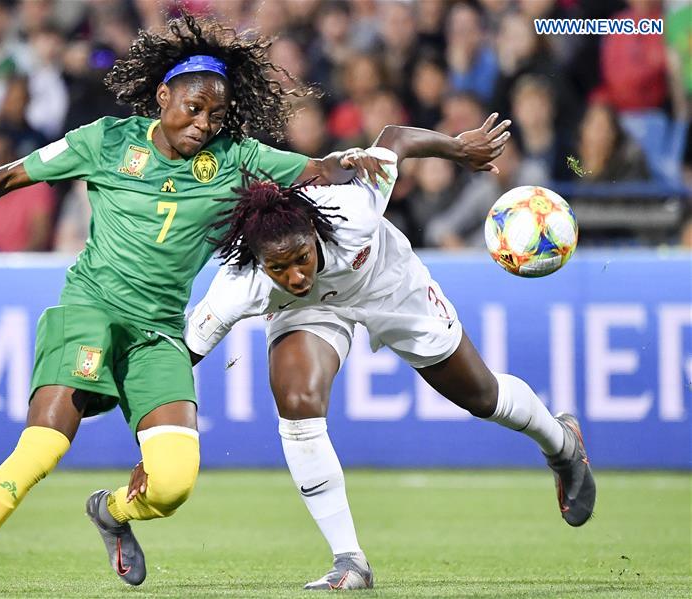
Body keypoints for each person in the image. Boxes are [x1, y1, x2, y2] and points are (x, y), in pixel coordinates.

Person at [0, 13, 389, 595]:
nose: (203, 124)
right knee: (42, 446)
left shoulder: (236, 157)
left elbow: (316, 170)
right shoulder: (106, 140)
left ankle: (111, 512)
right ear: (163, 95)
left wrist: (353, 160)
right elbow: (13, 175)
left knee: (171, 485)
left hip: (159, 334)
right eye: (193, 108)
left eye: (217, 115)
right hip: (91, 309)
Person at [128, 114, 595, 590]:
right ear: (259, 263)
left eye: (301, 258)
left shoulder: (355, 208)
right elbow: (179, 359)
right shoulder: (239, 285)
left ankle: (562, 444)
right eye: (278, 267)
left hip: (390, 287)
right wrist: (156, 442)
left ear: (314, 232)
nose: (294, 274)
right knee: (297, 402)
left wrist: (457, 148)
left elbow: (393, 139)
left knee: (483, 398)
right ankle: (350, 561)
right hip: (308, 312)